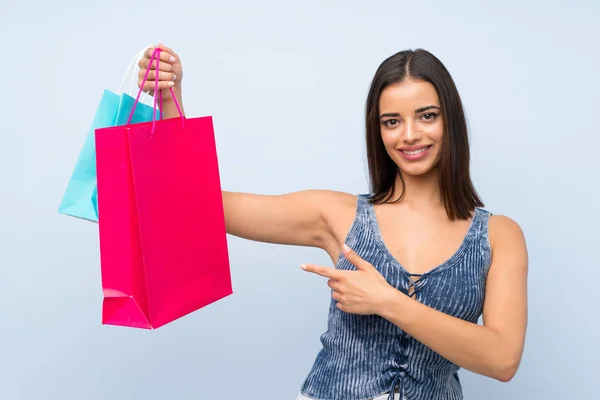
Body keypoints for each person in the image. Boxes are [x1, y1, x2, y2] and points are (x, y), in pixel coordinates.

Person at [137, 44, 528, 400]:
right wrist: (170, 104)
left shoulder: (498, 236)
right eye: (391, 121)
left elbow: (502, 359)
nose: (410, 135)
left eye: (427, 116)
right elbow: (198, 204)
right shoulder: (338, 214)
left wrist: (387, 301)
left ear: (450, 121)